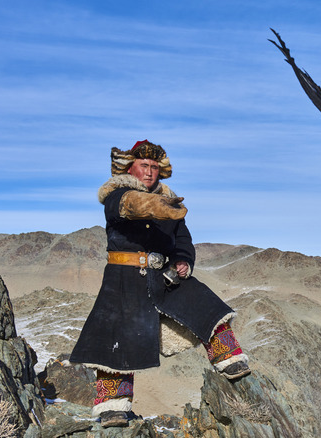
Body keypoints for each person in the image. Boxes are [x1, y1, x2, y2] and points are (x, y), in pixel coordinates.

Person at [70, 140, 250, 428]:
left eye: (154, 167)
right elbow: (129, 206)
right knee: (116, 341)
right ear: (130, 167)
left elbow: (183, 240)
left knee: (207, 305)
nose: (150, 172)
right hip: (123, 280)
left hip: (163, 275)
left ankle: (229, 360)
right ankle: (112, 407)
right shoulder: (117, 195)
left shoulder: (171, 200)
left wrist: (183, 261)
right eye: (144, 166)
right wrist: (155, 204)